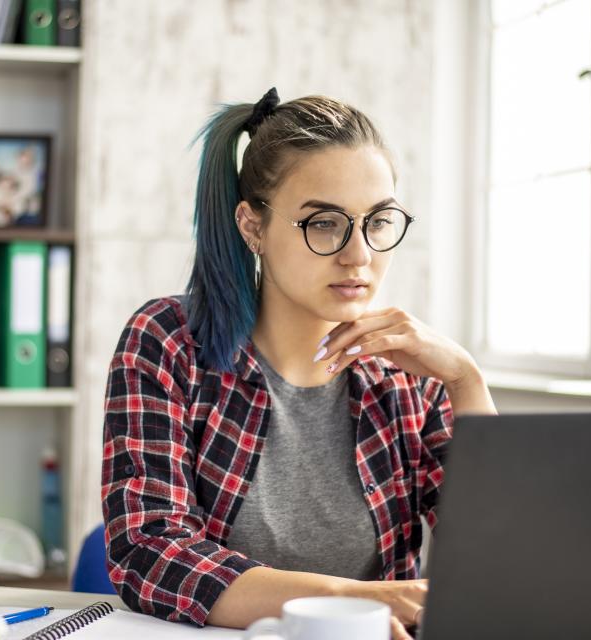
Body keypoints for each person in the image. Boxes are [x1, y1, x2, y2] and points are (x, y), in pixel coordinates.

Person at [101, 88, 497, 640]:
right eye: (325, 223)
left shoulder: (412, 377)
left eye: (378, 221)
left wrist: (465, 380)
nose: (358, 254)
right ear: (252, 226)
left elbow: (496, 564)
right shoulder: (169, 342)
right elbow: (149, 553)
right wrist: (356, 602)